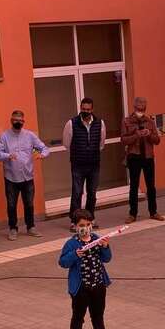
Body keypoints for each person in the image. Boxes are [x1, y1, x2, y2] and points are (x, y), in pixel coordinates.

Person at [58, 209, 117, 329]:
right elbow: (62, 262)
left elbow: (107, 259)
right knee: (78, 316)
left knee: (98, 313)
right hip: (81, 287)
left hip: (98, 284)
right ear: (75, 226)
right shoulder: (71, 243)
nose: (86, 228)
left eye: (88, 224)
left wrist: (105, 247)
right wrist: (74, 255)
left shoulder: (97, 239)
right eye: (82, 225)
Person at [0, 110, 50, 240]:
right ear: (11, 120)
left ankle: (31, 227)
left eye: (20, 120)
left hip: (27, 177)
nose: (18, 122)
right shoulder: (4, 137)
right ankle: (13, 229)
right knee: (11, 205)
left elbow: (44, 148)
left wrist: (42, 155)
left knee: (29, 204)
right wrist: (8, 155)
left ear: (23, 121)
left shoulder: (30, 135)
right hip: (11, 178)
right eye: (15, 120)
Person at [63, 98, 106, 232]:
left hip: (94, 164)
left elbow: (101, 144)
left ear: (92, 109)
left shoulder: (100, 123)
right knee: (77, 193)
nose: (85, 111)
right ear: (80, 108)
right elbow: (66, 143)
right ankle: (74, 221)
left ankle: (90, 219)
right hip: (78, 165)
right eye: (83, 109)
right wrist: (79, 154)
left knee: (92, 193)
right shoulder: (71, 123)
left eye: (88, 109)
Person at [121, 97, 164, 223]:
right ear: (134, 107)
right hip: (134, 156)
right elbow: (123, 140)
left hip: (148, 157)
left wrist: (149, 134)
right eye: (139, 108)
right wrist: (136, 135)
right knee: (134, 186)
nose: (141, 111)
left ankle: (153, 212)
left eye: (143, 108)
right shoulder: (126, 121)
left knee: (151, 186)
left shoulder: (150, 121)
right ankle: (132, 214)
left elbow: (157, 140)